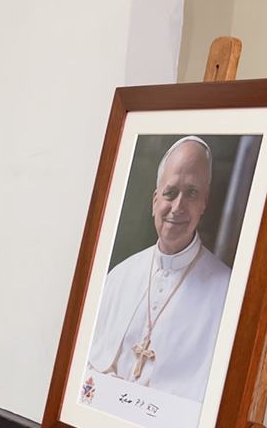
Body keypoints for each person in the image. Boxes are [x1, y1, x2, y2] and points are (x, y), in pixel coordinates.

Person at [87, 136, 231, 403]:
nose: (178, 207)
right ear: (155, 200)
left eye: (191, 193)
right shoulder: (119, 276)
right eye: (170, 193)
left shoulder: (227, 293)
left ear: (204, 202)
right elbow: (82, 373)